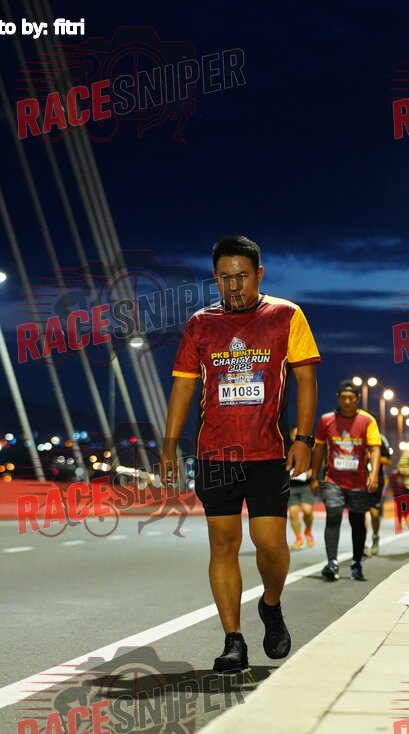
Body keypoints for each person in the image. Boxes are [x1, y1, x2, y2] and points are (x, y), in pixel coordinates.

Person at [160, 235, 320, 671]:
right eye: (225, 278)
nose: (234, 286)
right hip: (216, 454)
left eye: (243, 276)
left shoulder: (286, 315)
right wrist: (170, 445)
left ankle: (271, 604)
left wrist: (304, 440)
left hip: (268, 452)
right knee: (223, 545)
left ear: (259, 274)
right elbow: (183, 386)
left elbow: (306, 380)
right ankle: (233, 640)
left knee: (270, 544)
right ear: (215, 278)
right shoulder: (200, 324)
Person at [310, 380, 381, 582]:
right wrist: (314, 476)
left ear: (358, 399)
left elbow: (375, 448)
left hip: (358, 481)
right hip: (333, 479)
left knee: (357, 522)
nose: (347, 402)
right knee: (333, 516)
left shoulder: (367, 421)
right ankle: (332, 563)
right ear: (338, 398)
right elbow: (319, 448)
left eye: (351, 398)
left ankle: (356, 563)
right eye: (343, 398)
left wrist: (374, 474)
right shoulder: (326, 420)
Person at [364, 426, 392, 556]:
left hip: (376, 480)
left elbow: (388, 461)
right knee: (360, 514)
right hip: (359, 480)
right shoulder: (356, 435)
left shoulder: (380, 438)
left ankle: (375, 537)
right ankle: (363, 542)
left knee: (374, 514)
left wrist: (373, 456)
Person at [288, 424, 315, 549]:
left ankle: (308, 531)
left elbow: (318, 461)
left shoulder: (309, 447)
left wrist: (312, 471)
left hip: (305, 485)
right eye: (294, 435)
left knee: (307, 511)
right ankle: (298, 537)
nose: (295, 437)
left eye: (297, 435)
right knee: (293, 513)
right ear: (290, 436)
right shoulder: (286, 448)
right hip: (291, 486)